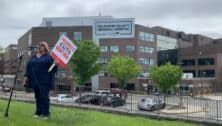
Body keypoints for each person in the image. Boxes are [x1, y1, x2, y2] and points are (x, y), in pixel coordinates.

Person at [24, 42, 57, 119]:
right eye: (39, 45)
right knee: (38, 97)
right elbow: (28, 67)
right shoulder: (33, 57)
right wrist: (26, 76)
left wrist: (55, 64)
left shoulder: (49, 57)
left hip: (45, 81)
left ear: (45, 48)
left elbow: (53, 69)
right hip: (35, 80)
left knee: (44, 97)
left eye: (42, 45)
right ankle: (38, 112)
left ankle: (46, 114)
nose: (39, 47)